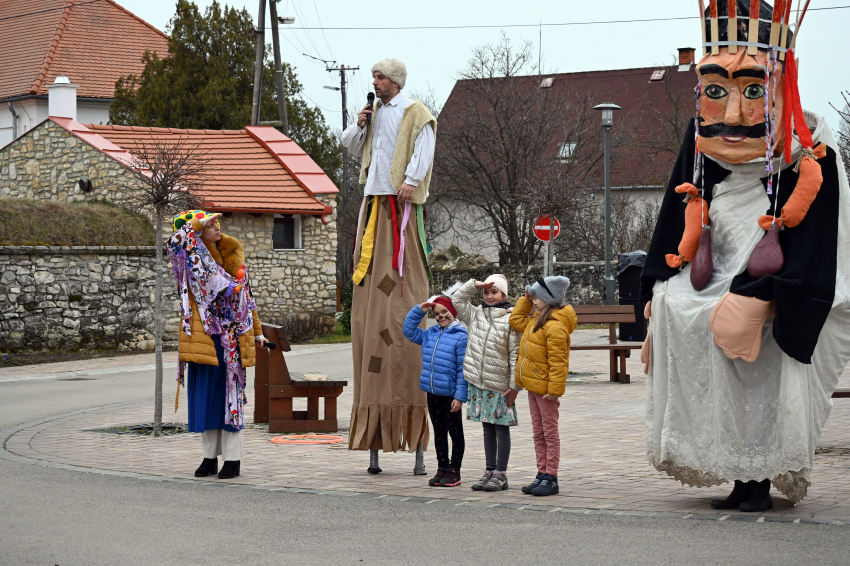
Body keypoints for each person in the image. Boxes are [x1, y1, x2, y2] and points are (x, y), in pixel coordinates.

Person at [640, 0, 850, 512]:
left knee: (756, 370)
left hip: (769, 288)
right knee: (685, 320)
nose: (733, 115)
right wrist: (657, 283)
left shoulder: (811, 150)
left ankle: (758, 477)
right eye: (716, 91)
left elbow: (821, 240)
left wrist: (768, 291)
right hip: (716, 279)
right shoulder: (699, 144)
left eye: (753, 91)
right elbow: (676, 215)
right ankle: (737, 473)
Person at [341, 58, 438, 475]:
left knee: (400, 287)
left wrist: (412, 180)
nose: (374, 83)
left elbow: (425, 148)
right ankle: (375, 435)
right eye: (373, 78)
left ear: (395, 81)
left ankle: (411, 432)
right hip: (375, 202)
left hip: (399, 206)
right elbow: (347, 145)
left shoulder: (416, 112)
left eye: (379, 78)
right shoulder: (373, 113)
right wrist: (360, 123)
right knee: (372, 291)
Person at [166, 210, 268, 480]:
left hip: (232, 342)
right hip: (204, 341)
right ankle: (209, 458)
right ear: (197, 234)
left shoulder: (237, 267)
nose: (217, 228)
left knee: (230, 401)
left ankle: (232, 461)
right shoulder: (192, 265)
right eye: (210, 226)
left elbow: (249, 303)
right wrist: (197, 222)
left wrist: (258, 334)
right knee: (207, 401)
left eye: (217, 224)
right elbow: (174, 242)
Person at [451, 275, 520, 492]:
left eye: (494, 292)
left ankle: (501, 473)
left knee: (501, 429)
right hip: (479, 383)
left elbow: (515, 354)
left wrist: (514, 385)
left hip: (500, 384)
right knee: (487, 428)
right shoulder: (476, 314)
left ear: (504, 295)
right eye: (486, 293)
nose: (489, 296)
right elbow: (456, 301)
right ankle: (489, 470)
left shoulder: (511, 319)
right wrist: (474, 285)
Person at [509, 276, 576, 497]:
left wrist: (555, 389)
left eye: (537, 296)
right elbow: (515, 320)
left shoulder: (555, 327)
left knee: (549, 433)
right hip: (532, 386)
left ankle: (551, 477)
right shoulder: (535, 318)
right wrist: (526, 299)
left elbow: (559, 361)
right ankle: (541, 473)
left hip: (546, 391)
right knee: (538, 433)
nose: (534, 299)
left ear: (548, 298)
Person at [403, 296, 468, 487]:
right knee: (439, 432)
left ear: (452, 312)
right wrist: (419, 310)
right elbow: (408, 331)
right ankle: (442, 468)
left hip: (450, 395)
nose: (441, 317)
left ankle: (455, 470)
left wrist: (459, 396)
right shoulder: (430, 333)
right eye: (437, 314)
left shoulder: (460, 336)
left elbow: (462, 369)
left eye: (444, 312)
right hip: (432, 393)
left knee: (455, 433)